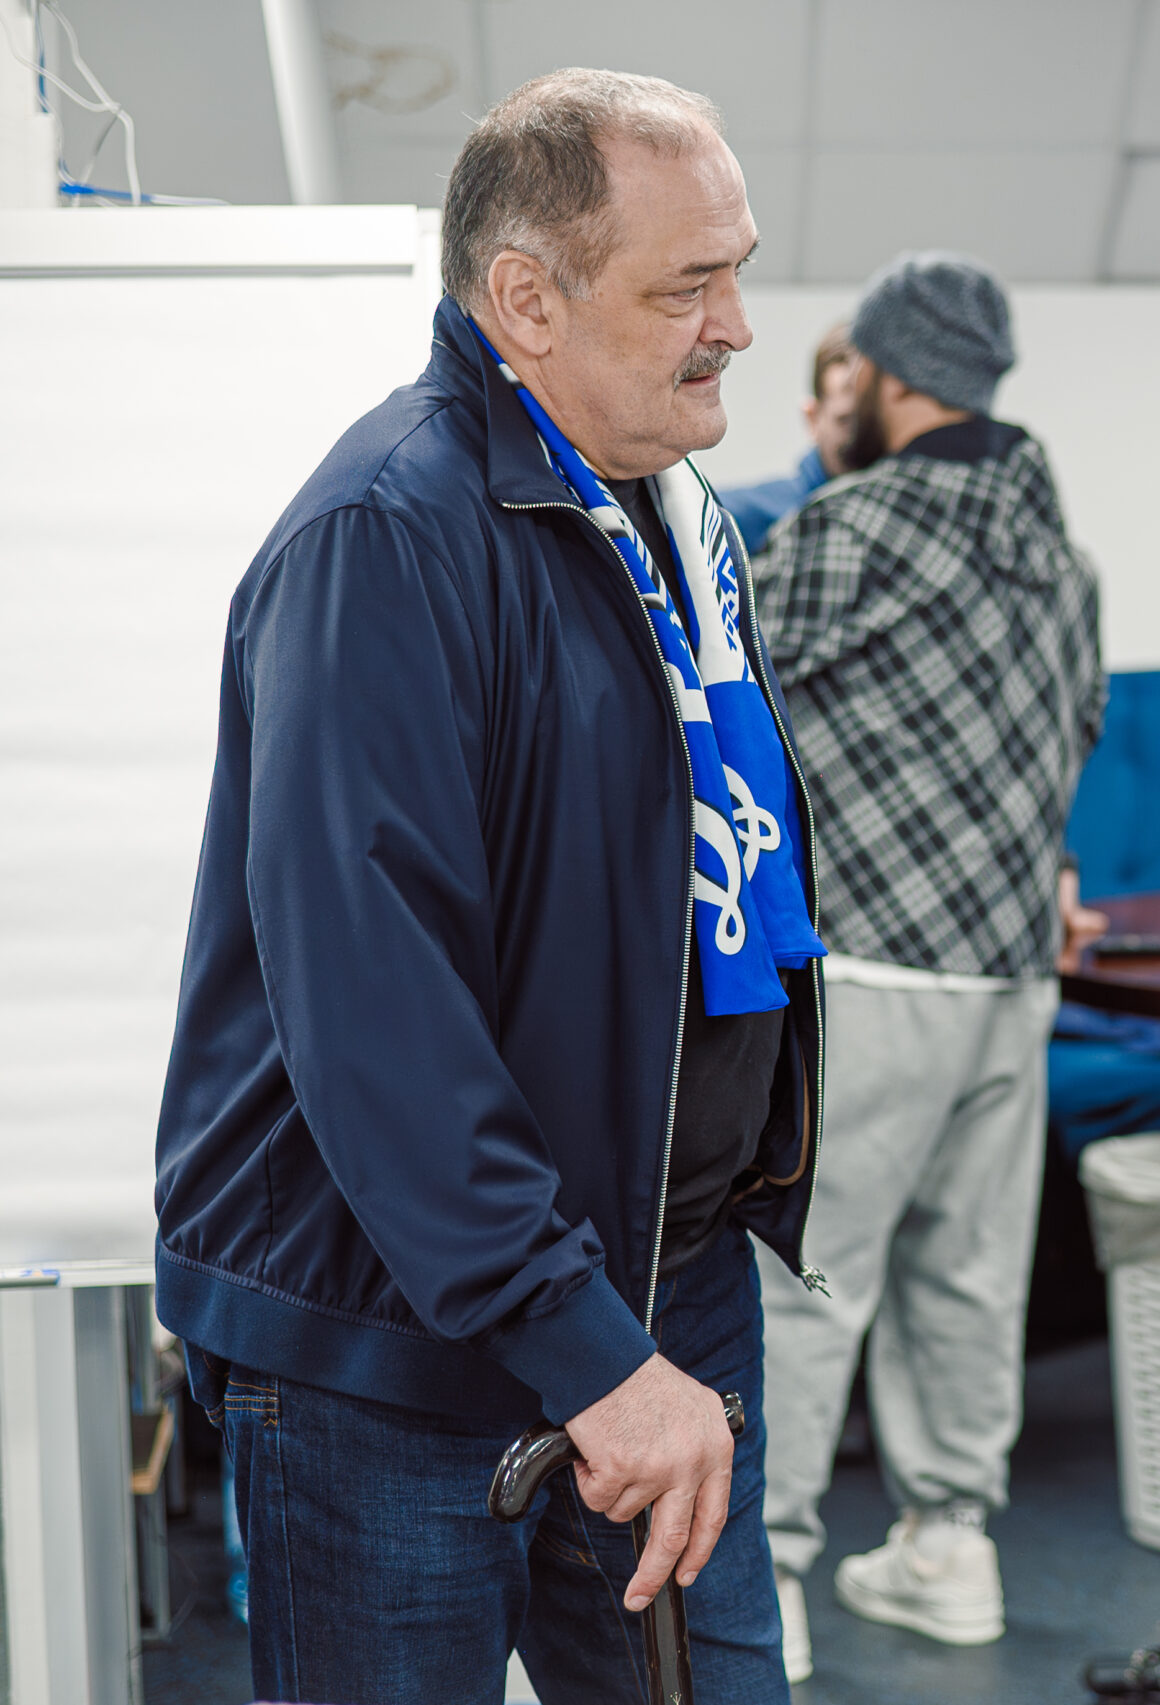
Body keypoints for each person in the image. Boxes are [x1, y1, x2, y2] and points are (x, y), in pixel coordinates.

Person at [152, 69, 826, 1701]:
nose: (738, 327)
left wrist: (650, 1308)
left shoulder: (675, 520)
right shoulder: (384, 537)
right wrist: (580, 1342)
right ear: (527, 300)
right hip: (401, 1345)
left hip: (655, 1287)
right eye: (688, 286)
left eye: (738, 272)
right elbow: (376, 1007)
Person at [751, 250, 1105, 1677]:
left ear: (888, 376)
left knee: (804, 1279)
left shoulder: (855, 528)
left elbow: (710, 696)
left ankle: (763, 1580)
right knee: (967, 1276)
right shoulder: (1062, 560)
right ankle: (950, 1547)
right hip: (1011, 982)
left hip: (874, 968)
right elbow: (1076, 732)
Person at [726, 321, 858, 554]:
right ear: (813, 418)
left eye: (875, 420)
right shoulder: (734, 520)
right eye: (846, 421)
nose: (866, 437)